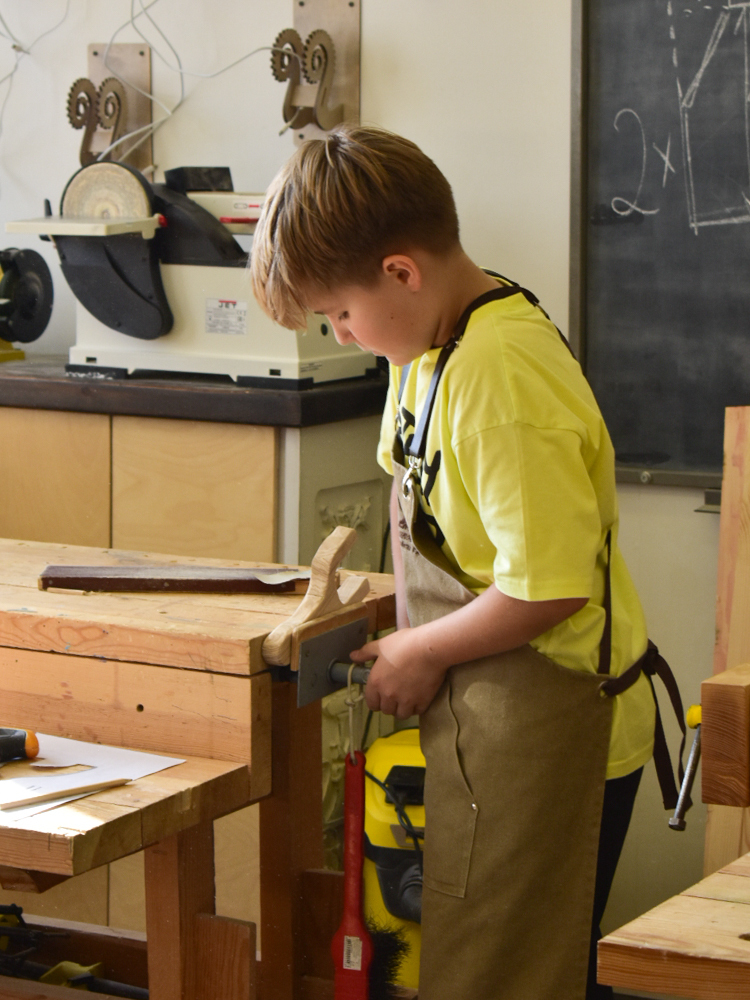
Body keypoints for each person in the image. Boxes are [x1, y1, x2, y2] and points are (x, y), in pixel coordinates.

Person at [250, 124, 666, 1000]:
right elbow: (425, 509)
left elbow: (550, 587)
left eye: (341, 312)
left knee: (517, 975)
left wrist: (425, 648)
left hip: (557, 719)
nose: (343, 334)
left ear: (402, 272)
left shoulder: (499, 379)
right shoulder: (425, 347)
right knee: (472, 960)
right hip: (490, 712)